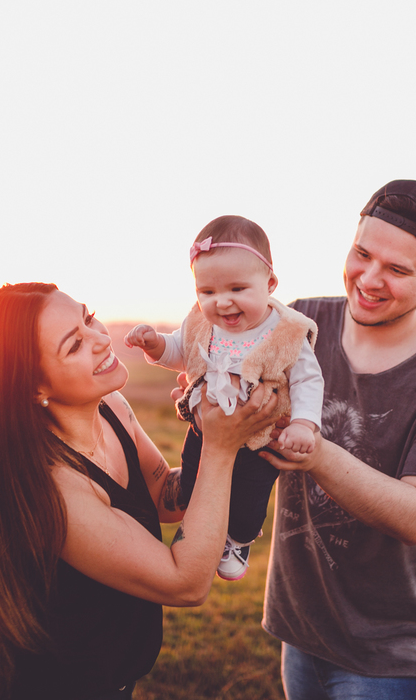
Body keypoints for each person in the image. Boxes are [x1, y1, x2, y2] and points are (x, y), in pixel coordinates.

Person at [0, 282, 279, 700]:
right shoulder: (52, 487)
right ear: (33, 387)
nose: (101, 339)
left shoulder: (113, 408)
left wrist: (212, 429)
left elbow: (166, 495)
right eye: (74, 344)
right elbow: (186, 582)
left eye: (88, 318)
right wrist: (219, 448)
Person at [259, 180, 416, 700]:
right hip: (301, 627)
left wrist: (317, 453)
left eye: (397, 270)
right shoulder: (301, 323)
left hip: (391, 652)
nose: (368, 279)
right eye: (362, 254)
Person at [125, 215, 324, 581]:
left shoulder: (287, 332)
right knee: (191, 489)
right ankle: (207, 530)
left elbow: (308, 380)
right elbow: (180, 351)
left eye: (237, 288)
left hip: (258, 439)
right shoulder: (201, 324)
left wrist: (303, 424)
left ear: (270, 283)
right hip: (204, 432)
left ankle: (238, 539)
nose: (223, 302)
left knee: (247, 503)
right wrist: (155, 345)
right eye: (208, 292)